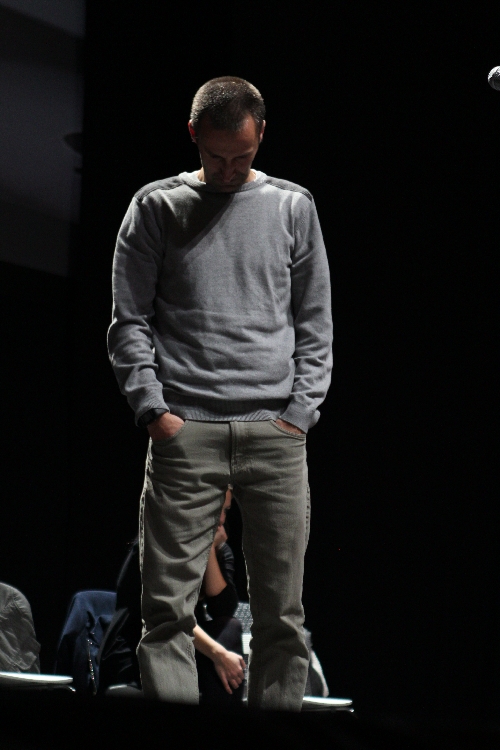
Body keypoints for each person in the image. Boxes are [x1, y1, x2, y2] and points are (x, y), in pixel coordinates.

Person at [108, 76, 333, 710]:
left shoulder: (292, 206)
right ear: (192, 136)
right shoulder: (156, 205)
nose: (229, 170)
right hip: (186, 431)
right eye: (216, 157)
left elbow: (315, 321)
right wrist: (154, 410)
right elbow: (128, 321)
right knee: (166, 614)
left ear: (261, 136)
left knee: (282, 618)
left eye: (243, 156)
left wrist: (299, 414)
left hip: (275, 435)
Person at [98, 490, 246, 703]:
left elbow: (223, 608)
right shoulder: (160, 542)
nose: (222, 519)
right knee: (216, 655)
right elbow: (170, 615)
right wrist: (219, 654)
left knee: (229, 629)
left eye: (226, 510)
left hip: (182, 646)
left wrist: (210, 552)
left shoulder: (219, 548)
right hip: (139, 645)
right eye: (217, 509)